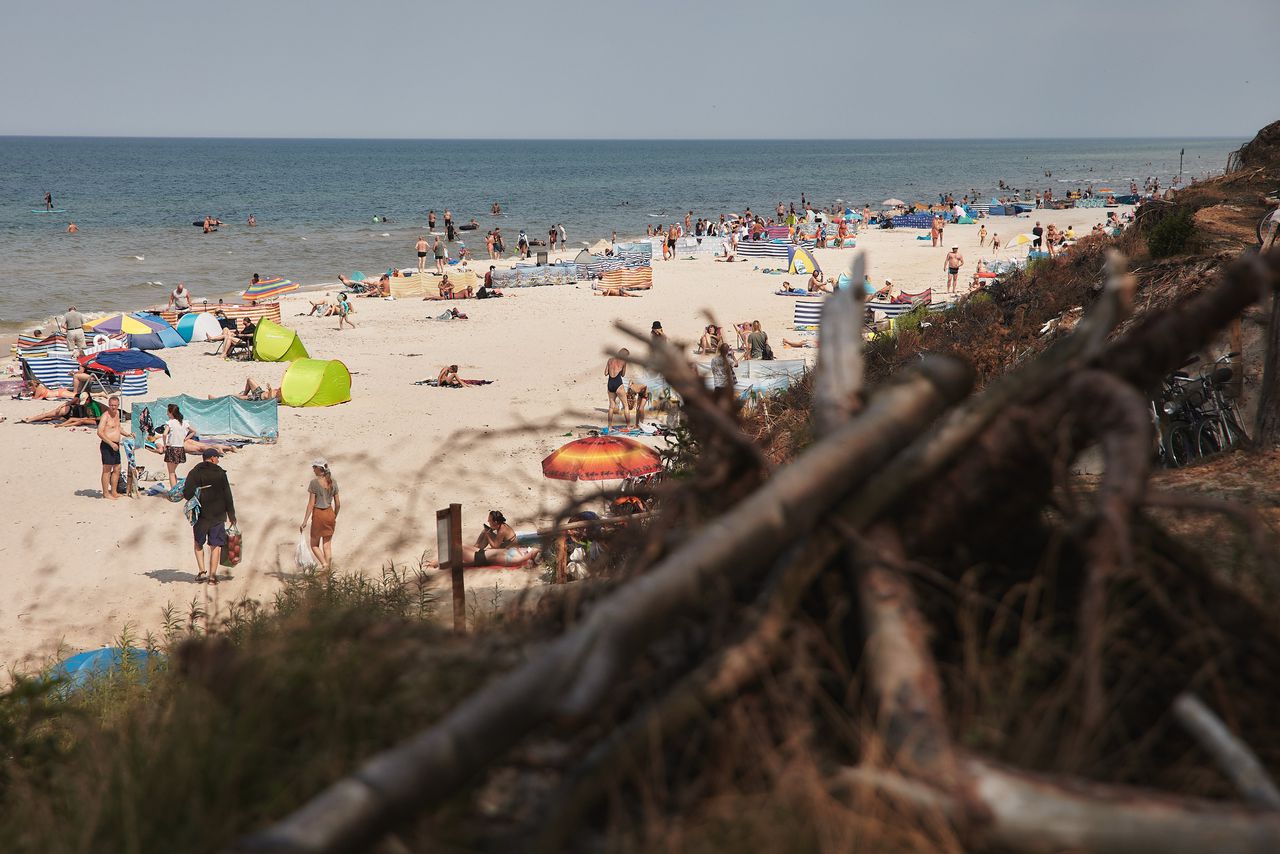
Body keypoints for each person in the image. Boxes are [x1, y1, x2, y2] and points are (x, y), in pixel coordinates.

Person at [182, 448, 236, 583]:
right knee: (215, 545)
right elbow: (227, 495)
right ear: (212, 458)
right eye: (217, 458)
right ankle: (212, 576)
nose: (218, 460)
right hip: (218, 514)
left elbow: (187, 494)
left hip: (200, 515)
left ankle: (202, 572)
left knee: (198, 543)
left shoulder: (194, 473)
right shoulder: (220, 473)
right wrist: (232, 515)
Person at [300, 458, 340, 572]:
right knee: (327, 545)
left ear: (320, 469)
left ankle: (324, 565)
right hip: (330, 513)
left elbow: (311, 504)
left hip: (319, 514)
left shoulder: (314, 483)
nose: (313, 469)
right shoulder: (333, 482)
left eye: (314, 467)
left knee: (314, 544)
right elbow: (338, 504)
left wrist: (304, 521)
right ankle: (329, 572)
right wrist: (334, 516)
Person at [96, 395, 132, 500]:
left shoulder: (117, 414)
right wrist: (111, 444)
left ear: (118, 405)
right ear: (108, 405)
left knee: (117, 468)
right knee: (107, 469)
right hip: (107, 445)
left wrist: (127, 434)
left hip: (116, 445)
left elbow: (118, 428)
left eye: (115, 405)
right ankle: (106, 493)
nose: (113, 407)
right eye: (111, 405)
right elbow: (99, 432)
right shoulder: (105, 416)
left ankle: (114, 491)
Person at [159, 402, 194, 488]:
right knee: (173, 471)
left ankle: (173, 491)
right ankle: (176, 488)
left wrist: (165, 444)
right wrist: (185, 439)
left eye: (168, 412)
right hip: (181, 449)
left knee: (171, 472)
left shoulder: (170, 422)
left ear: (171, 413)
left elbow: (164, 434)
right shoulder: (184, 422)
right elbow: (193, 431)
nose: (167, 413)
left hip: (172, 449)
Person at [19, 392, 97, 426]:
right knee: (47, 415)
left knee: (48, 417)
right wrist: (60, 407)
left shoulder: (90, 404)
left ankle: (31, 420)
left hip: (69, 414)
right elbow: (68, 403)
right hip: (68, 412)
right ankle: (29, 420)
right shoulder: (81, 399)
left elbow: (69, 403)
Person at [606, 349, 628, 428]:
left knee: (611, 406)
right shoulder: (623, 362)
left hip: (610, 383)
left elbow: (605, 373)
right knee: (626, 405)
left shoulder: (610, 360)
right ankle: (628, 426)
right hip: (618, 383)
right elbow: (623, 374)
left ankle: (609, 426)